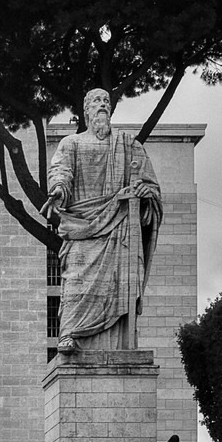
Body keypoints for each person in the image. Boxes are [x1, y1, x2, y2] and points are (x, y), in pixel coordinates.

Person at [44, 87, 161, 352]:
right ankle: (69, 334)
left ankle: (121, 345)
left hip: (119, 229)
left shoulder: (129, 145)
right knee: (75, 281)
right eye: (97, 101)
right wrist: (59, 189)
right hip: (82, 227)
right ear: (86, 110)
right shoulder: (71, 143)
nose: (103, 105)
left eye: (106, 101)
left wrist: (145, 193)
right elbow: (61, 171)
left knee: (117, 287)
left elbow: (150, 186)